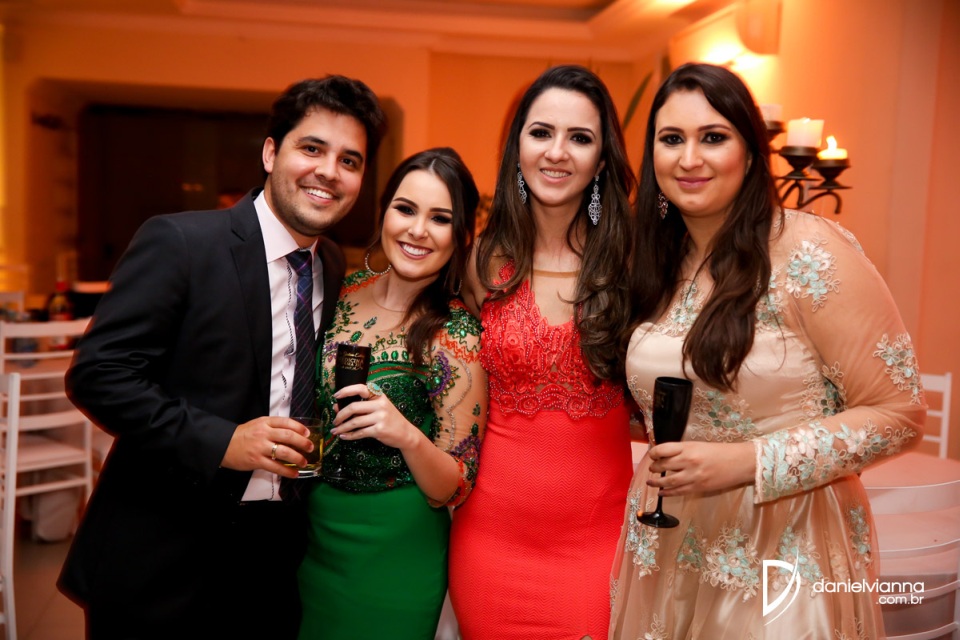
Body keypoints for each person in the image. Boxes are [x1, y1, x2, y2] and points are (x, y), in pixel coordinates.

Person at [58, 75, 386, 639]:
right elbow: (98, 374)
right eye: (312, 148)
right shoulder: (181, 243)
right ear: (270, 153)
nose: (329, 171)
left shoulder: (332, 265)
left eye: (349, 160)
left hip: (271, 560)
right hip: (163, 557)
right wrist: (223, 441)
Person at [609, 62, 926, 639]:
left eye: (713, 137)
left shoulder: (811, 252)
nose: (689, 159)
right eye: (671, 139)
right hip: (668, 535)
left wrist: (748, 463)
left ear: (752, 154)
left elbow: (899, 414)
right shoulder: (652, 262)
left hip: (784, 540)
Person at [448, 64, 637, 639]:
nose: (557, 152)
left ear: (601, 161)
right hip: (490, 543)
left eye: (579, 137)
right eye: (541, 132)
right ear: (518, 148)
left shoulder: (635, 267)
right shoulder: (480, 262)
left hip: (597, 545)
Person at [296, 147, 487, 639]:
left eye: (440, 218)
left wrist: (406, 435)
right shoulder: (341, 290)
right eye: (405, 209)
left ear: (461, 235)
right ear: (384, 212)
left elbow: (456, 484)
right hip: (312, 534)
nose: (417, 230)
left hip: (397, 551)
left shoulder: (456, 334)